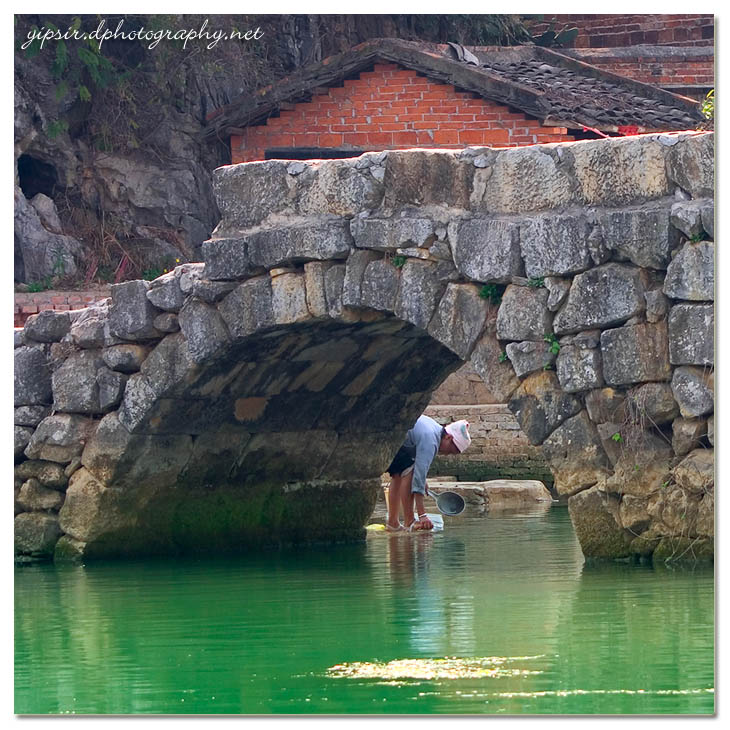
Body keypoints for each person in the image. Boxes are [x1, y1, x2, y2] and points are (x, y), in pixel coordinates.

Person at [385, 415, 471, 532]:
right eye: (451, 450)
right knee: (408, 474)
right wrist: (422, 515)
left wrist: (422, 479)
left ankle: (393, 523)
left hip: (391, 436)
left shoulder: (434, 429)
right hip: (392, 438)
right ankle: (409, 521)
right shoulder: (431, 441)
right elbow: (418, 479)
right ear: (448, 437)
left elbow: (419, 464)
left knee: (398, 475)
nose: (447, 454)